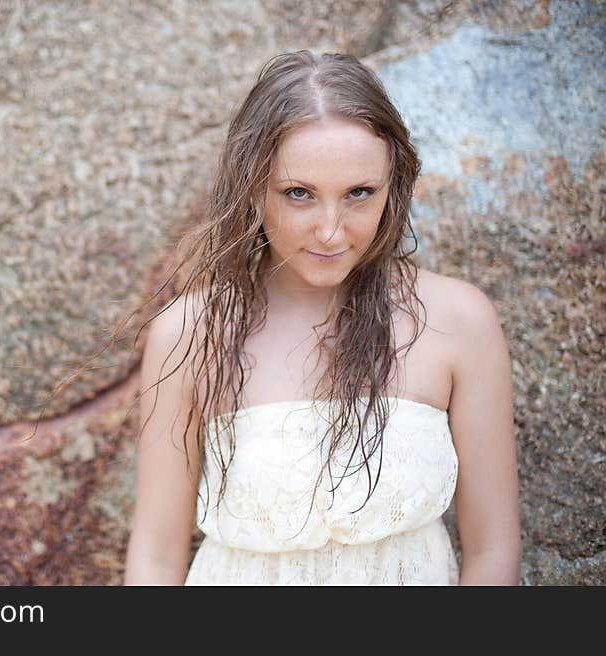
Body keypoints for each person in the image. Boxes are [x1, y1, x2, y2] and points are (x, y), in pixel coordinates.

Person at [122, 50, 521, 585]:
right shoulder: (190, 332)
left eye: (359, 193)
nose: (331, 230)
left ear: (394, 185)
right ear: (251, 188)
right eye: (299, 194)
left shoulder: (459, 322)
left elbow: (493, 550)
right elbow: (155, 557)